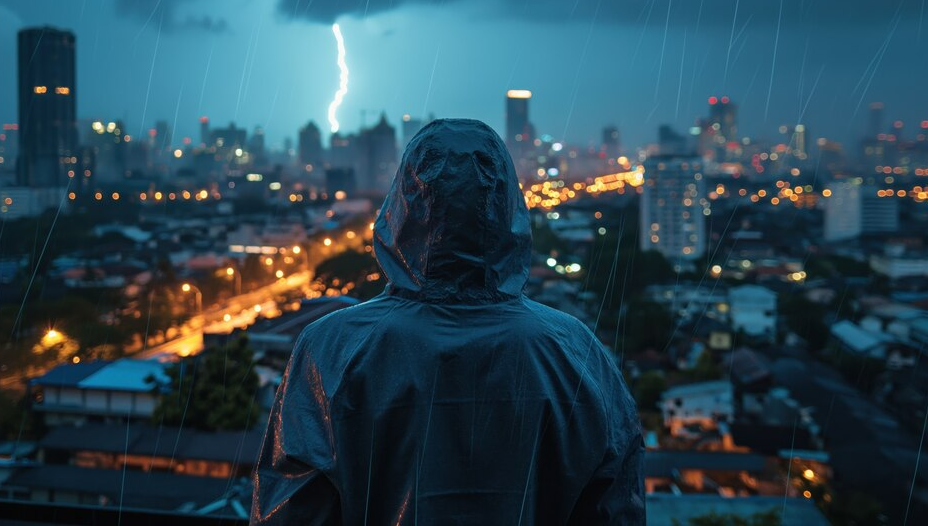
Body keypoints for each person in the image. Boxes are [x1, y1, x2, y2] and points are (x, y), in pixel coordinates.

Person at [252, 118, 644, 525]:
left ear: (402, 206)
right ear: (508, 206)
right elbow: (616, 509)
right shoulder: (575, 352)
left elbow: (290, 511)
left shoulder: (332, 348)